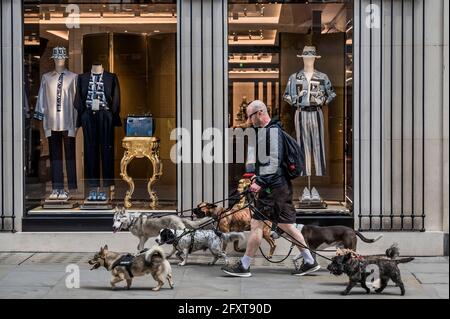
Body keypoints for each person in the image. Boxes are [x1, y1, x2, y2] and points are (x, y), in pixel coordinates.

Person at [221, 100, 320, 277]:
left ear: (259, 113)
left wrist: (260, 182)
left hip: (273, 189)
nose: (249, 120)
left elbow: (273, 162)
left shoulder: (272, 132)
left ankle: (244, 266)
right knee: (287, 225)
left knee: (256, 224)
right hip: (280, 187)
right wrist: (256, 177)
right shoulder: (270, 131)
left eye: (250, 116)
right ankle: (310, 261)